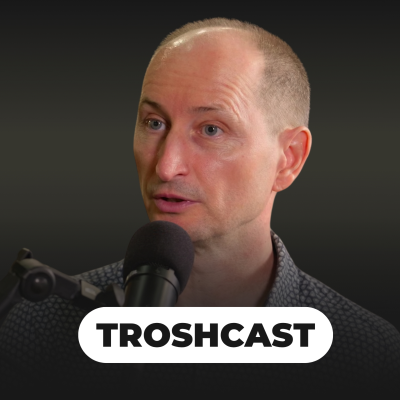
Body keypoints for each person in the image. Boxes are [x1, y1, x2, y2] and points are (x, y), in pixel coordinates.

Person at [0, 17, 399, 395]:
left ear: (288, 158)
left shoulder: (371, 359)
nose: (166, 166)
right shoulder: (35, 330)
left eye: (211, 129)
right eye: (154, 122)